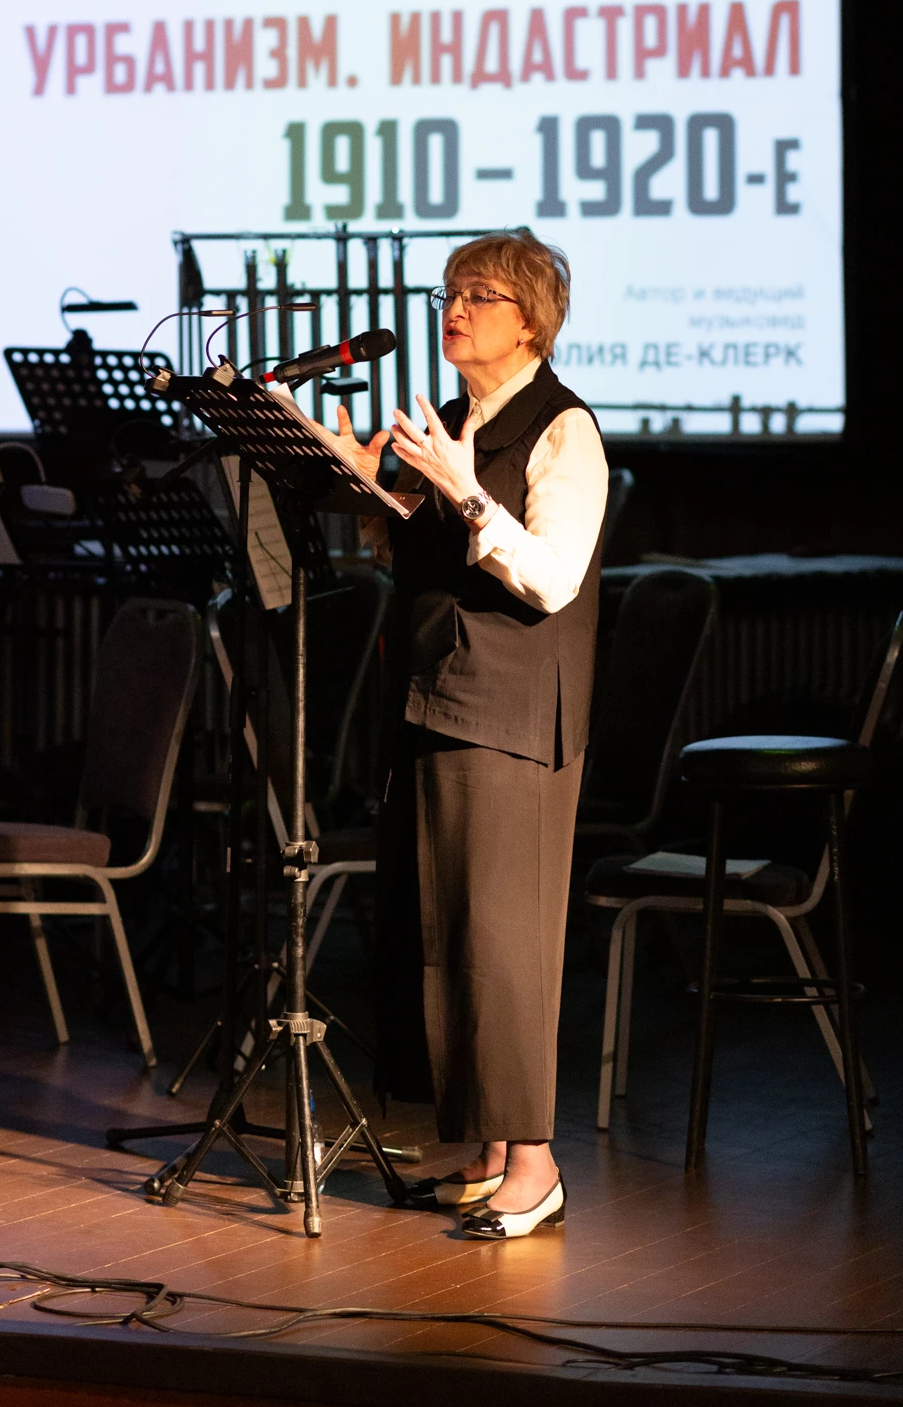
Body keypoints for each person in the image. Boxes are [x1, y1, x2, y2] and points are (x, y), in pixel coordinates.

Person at [332, 228, 607, 1241]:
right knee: (440, 926)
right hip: (431, 689)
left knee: (501, 938)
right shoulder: (452, 422)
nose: (454, 309)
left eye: (480, 294)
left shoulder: (563, 427)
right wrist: (367, 491)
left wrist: (464, 492)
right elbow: (423, 553)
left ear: (530, 321)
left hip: (511, 708)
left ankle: (534, 1165)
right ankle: (487, 1149)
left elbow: (550, 577)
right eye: (449, 291)